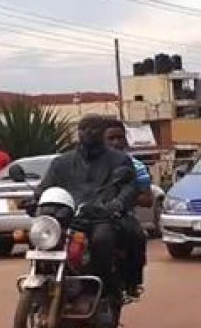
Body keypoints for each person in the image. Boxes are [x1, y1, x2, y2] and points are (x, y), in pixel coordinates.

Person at [38, 114, 139, 288]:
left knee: (102, 239)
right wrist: (33, 199)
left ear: (101, 132)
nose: (87, 132)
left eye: (93, 128)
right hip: (67, 216)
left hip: (100, 218)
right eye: (83, 128)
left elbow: (129, 188)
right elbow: (45, 186)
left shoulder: (119, 160)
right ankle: (44, 278)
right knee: (40, 236)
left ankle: (103, 287)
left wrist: (117, 203)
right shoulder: (62, 162)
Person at [103, 119, 150, 299]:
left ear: (126, 140)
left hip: (121, 216)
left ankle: (133, 282)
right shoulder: (90, 165)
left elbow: (148, 199)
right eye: (110, 138)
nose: (115, 142)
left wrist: (123, 200)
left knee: (138, 237)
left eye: (119, 137)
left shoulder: (136, 166)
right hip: (88, 216)